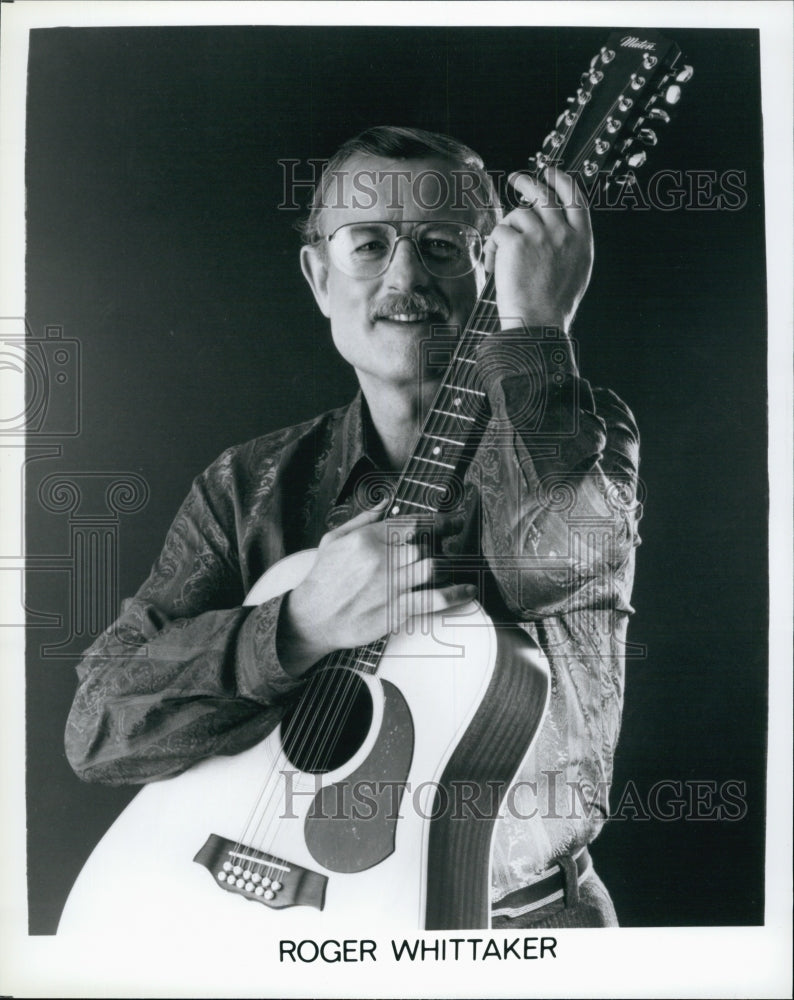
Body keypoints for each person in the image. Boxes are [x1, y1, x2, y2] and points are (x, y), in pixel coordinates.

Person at [65, 126, 641, 928]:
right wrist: (296, 626)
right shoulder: (248, 485)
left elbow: (549, 563)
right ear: (317, 275)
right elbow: (101, 729)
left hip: (514, 928)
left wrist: (537, 330)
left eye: (445, 245)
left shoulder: (583, 433)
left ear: (494, 268)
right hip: (264, 931)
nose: (405, 277)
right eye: (367, 243)